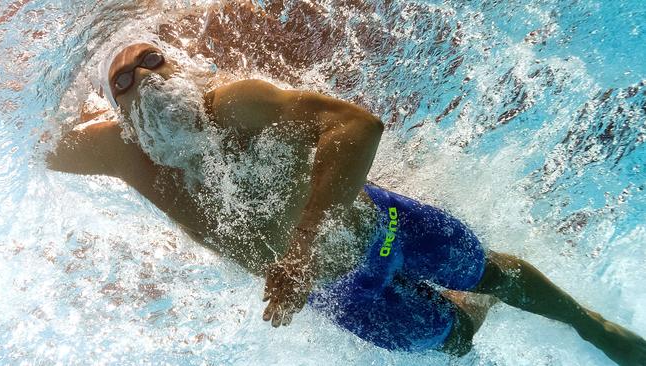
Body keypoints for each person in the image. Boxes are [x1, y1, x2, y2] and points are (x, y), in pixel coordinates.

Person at [46, 31, 645, 366]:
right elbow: (28, 140)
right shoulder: (124, 155)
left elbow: (358, 127)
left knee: (491, 271)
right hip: (344, 295)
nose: (146, 77)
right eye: (124, 79)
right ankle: (468, 306)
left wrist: (302, 251)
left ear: (178, 64)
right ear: (118, 112)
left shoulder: (234, 102)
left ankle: (589, 325)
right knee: (457, 342)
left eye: (152, 60)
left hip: (381, 227)